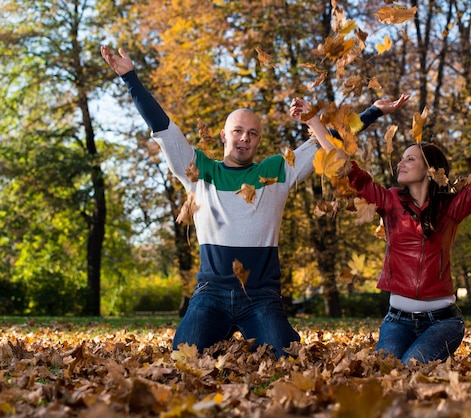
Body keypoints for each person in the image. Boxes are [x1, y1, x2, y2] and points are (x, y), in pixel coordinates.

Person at [101, 45, 408, 357]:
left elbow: (328, 140)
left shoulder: (275, 170)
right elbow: (163, 128)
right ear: (224, 135)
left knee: (287, 356)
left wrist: (374, 111)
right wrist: (130, 78)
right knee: (184, 355)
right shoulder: (198, 170)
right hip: (211, 293)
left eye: (252, 133)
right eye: (238, 131)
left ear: (259, 140)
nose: (245, 138)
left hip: (261, 296)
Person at [293, 99, 471, 364]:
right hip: (396, 320)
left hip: (443, 323)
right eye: (401, 158)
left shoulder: (451, 209)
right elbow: (345, 167)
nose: (401, 163)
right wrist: (313, 120)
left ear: (430, 170)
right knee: (385, 371)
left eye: (410, 159)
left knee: (412, 368)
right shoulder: (389, 201)